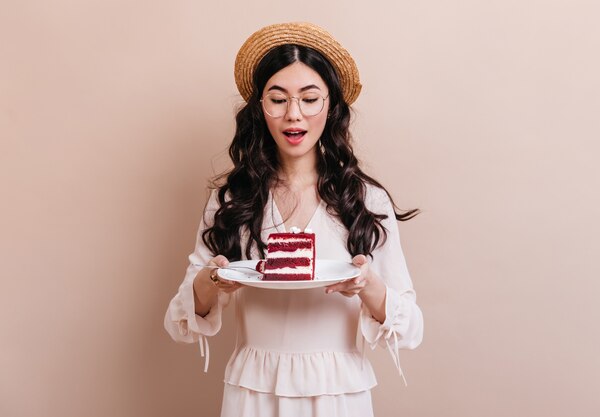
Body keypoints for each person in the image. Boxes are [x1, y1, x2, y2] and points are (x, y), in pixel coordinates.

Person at [164, 22, 424, 417]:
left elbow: (411, 329)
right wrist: (211, 279)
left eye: (309, 98)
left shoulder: (365, 201)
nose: (293, 115)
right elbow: (179, 319)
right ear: (259, 108)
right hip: (253, 392)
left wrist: (367, 283)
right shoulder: (234, 200)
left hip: (339, 395)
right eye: (278, 99)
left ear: (331, 106)